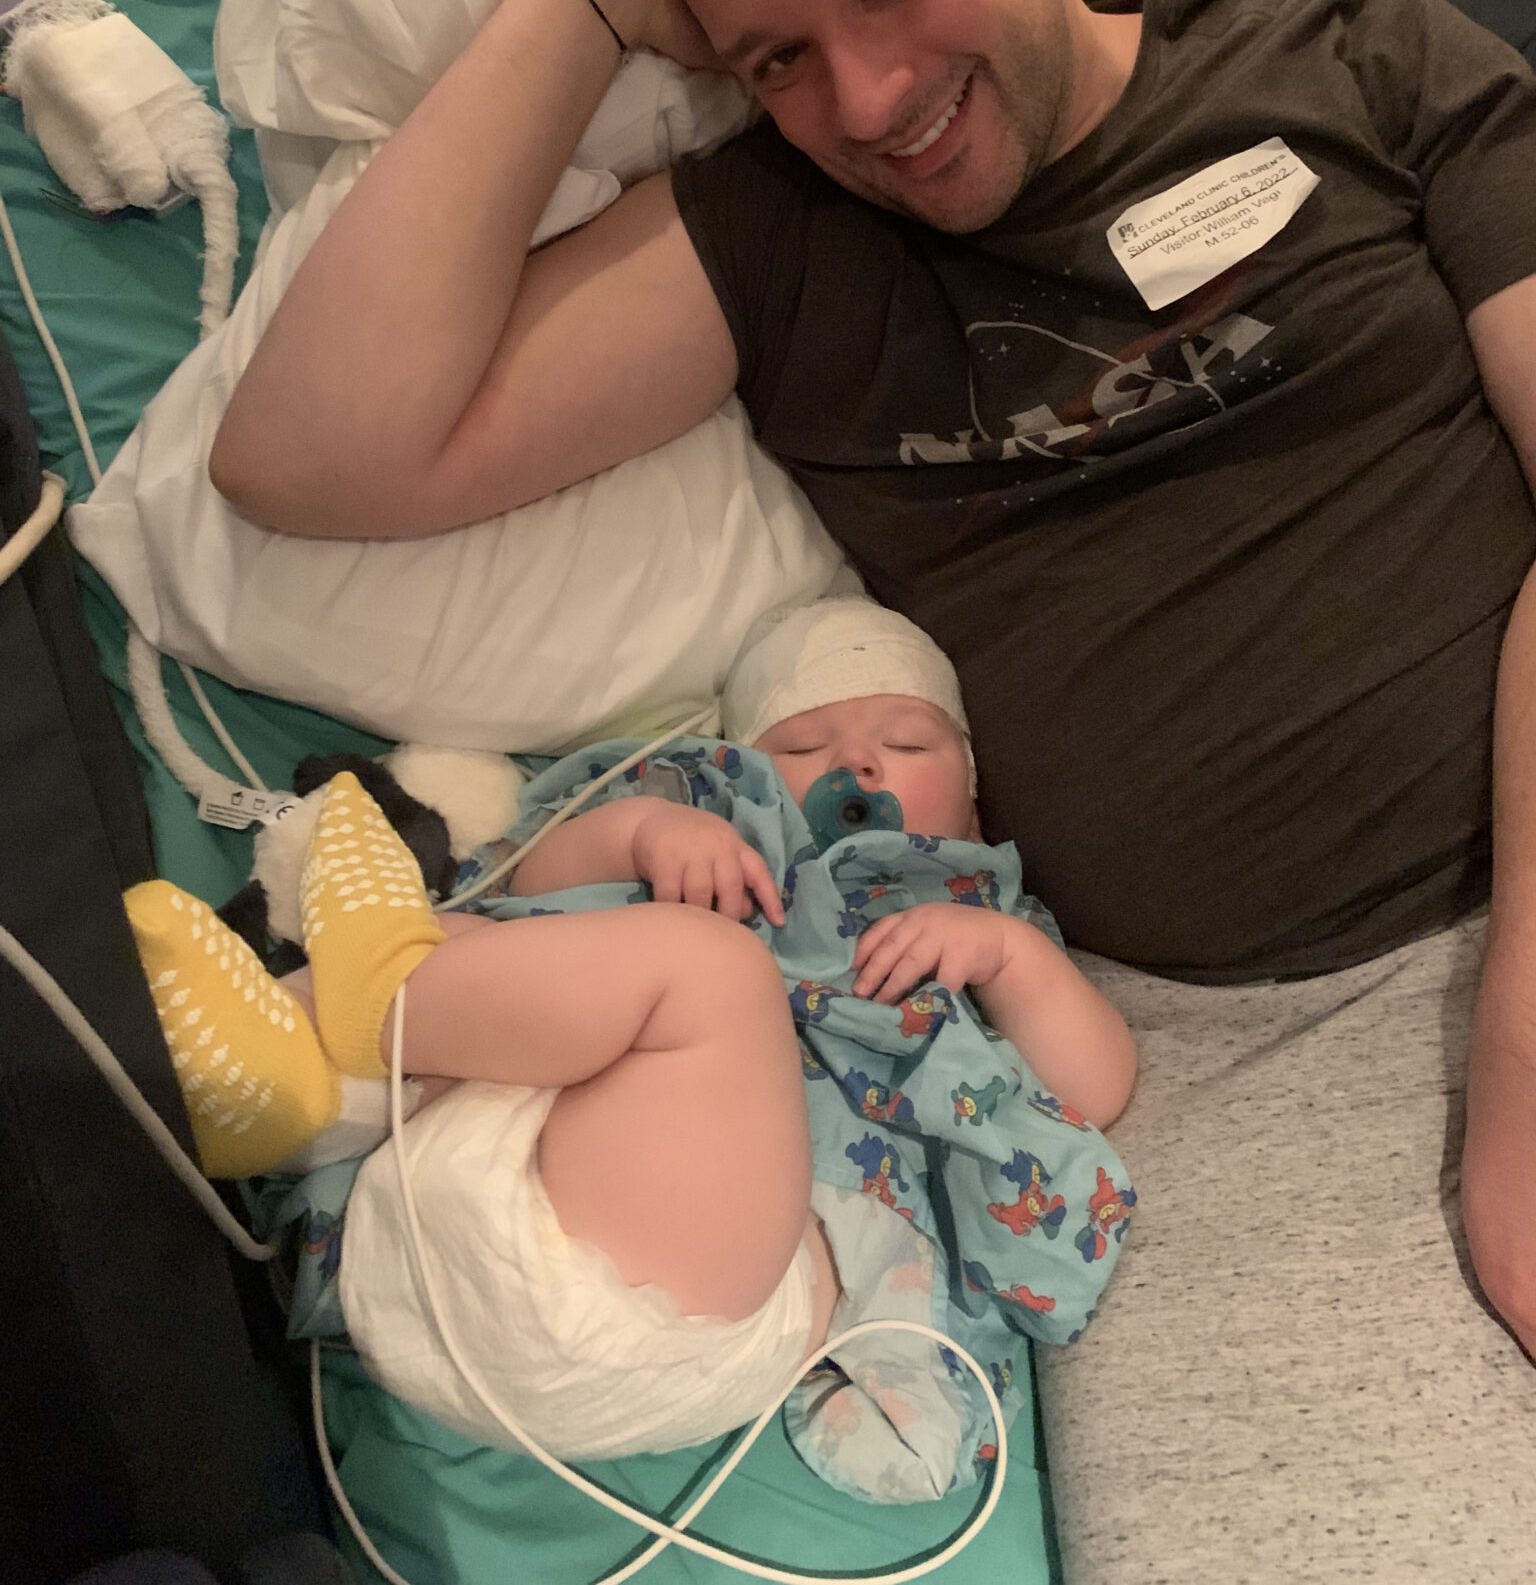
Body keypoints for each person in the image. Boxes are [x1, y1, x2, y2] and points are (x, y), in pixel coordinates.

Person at [207, 0, 1536, 1576]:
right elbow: (303, 456)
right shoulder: (783, 243)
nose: (873, 94)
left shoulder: (1357, 61)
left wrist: (1521, 1050)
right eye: (770, 51)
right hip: (1208, 1068)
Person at [122, 598, 1136, 1489]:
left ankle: (367, 994)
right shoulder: (705, 825)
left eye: (909, 742)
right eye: (802, 744)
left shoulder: (986, 923)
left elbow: (1092, 1087)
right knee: (508, 941)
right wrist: (641, 835)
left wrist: (1011, 956)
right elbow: (530, 878)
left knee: (707, 972)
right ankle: (289, 1078)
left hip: (667, 1305)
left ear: (973, 796)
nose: (857, 761)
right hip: (444, 1201)